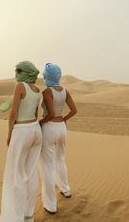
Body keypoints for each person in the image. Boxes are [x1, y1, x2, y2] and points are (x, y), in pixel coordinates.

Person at [0, 61, 42, 222]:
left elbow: (13, 113)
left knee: (14, 174)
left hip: (22, 131)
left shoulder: (20, 86)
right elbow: (36, 113)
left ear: (25, 72)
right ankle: (28, 215)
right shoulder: (38, 90)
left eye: (18, 70)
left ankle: (15, 218)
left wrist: (9, 134)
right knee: (30, 174)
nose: (16, 73)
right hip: (36, 130)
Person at [39, 63, 77, 214]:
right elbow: (74, 110)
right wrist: (64, 119)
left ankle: (50, 205)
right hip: (62, 128)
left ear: (47, 76)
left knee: (47, 166)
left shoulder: (47, 91)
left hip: (49, 128)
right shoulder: (65, 91)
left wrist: (38, 123)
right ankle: (66, 190)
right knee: (60, 159)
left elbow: (50, 115)